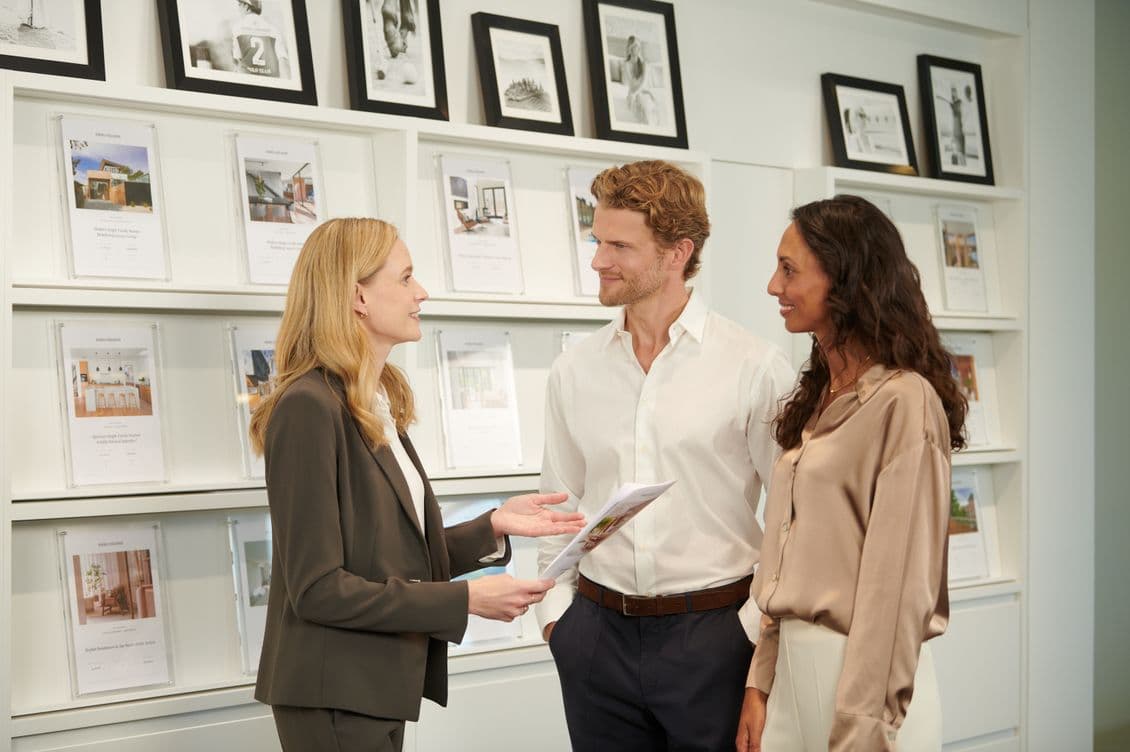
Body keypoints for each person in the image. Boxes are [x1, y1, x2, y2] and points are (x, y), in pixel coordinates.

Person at [251, 218, 584, 752]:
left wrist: (491, 527)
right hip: (332, 691)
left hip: (370, 686)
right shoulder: (308, 407)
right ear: (358, 296)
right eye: (406, 278)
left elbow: (383, 558)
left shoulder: (373, 400)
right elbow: (317, 589)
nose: (421, 292)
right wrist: (463, 599)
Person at [536, 160, 795, 751]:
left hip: (714, 637)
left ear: (678, 252)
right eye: (597, 240)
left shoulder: (754, 367)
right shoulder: (574, 369)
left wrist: (751, 632)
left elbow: (793, 515)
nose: (598, 260)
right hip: (595, 637)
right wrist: (558, 620)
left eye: (619, 245)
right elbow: (557, 505)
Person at [736, 195, 968, 752]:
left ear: (845, 280)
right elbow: (784, 555)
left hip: (865, 685)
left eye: (789, 270)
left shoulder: (904, 403)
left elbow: (896, 592)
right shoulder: (818, 395)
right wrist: (760, 682)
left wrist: (863, 729)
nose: (773, 286)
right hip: (791, 676)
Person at [231, 0, 291, 79]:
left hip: (248, 80)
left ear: (246, 6)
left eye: (239, 5)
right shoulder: (274, 29)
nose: (238, 8)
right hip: (271, 82)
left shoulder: (237, 28)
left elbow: (237, 62)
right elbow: (283, 62)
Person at [622, 35, 658, 124]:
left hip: (643, 92)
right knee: (637, 105)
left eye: (638, 46)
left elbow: (643, 83)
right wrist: (633, 95)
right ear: (630, 48)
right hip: (633, 92)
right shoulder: (626, 64)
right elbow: (631, 84)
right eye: (635, 46)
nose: (637, 49)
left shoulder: (644, 64)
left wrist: (635, 94)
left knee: (645, 106)